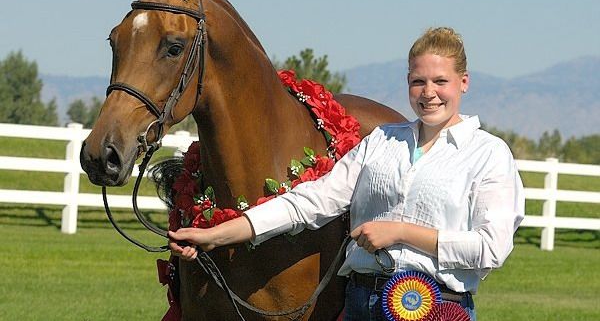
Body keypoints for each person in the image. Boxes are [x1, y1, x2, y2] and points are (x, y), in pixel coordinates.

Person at [168, 27, 525, 321]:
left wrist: (401, 232)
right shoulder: (383, 141)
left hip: (437, 306)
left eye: (440, 81)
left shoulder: (488, 155)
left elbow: (490, 248)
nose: (428, 93)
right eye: (418, 82)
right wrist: (218, 234)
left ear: (464, 82)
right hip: (360, 304)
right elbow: (310, 201)